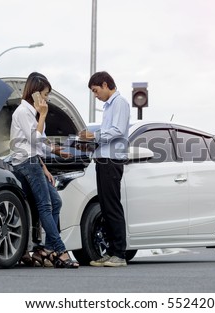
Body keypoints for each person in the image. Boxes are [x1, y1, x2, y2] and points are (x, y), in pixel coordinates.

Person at [10, 72, 79, 269]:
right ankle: (60, 250)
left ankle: (46, 248)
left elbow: (40, 142)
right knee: (46, 206)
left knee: (55, 202)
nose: (47, 98)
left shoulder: (32, 113)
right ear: (35, 93)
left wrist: (54, 155)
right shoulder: (23, 112)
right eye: (45, 94)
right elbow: (34, 140)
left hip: (34, 162)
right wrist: (43, 114)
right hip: (26, 163)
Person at [78, 71, 130, 267]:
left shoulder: (120, 103)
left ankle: (119, 254)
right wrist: (89, 141)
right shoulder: (109, 106)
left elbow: (117, 131)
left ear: (106, 84)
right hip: (103, 160)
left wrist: (94, 136)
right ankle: (110, 252)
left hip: (111, 161)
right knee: (106, 208)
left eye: (96, 90)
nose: (95, 95)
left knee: (112, 206)